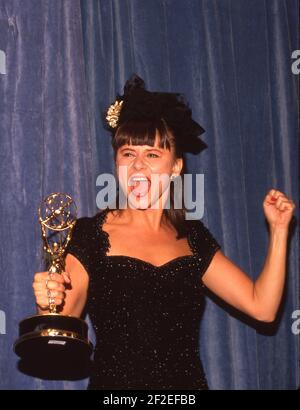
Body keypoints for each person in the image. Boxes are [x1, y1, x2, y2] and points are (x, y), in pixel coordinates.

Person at [32, 74, 295, 390]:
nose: (138, 166)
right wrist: (49, 301)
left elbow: (262, 308)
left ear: (176, 167)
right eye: (128, 154)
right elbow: (64, 321)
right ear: (116, 162)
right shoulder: (89, 234)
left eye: (152, 155)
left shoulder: (193, 238)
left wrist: (279, 230)